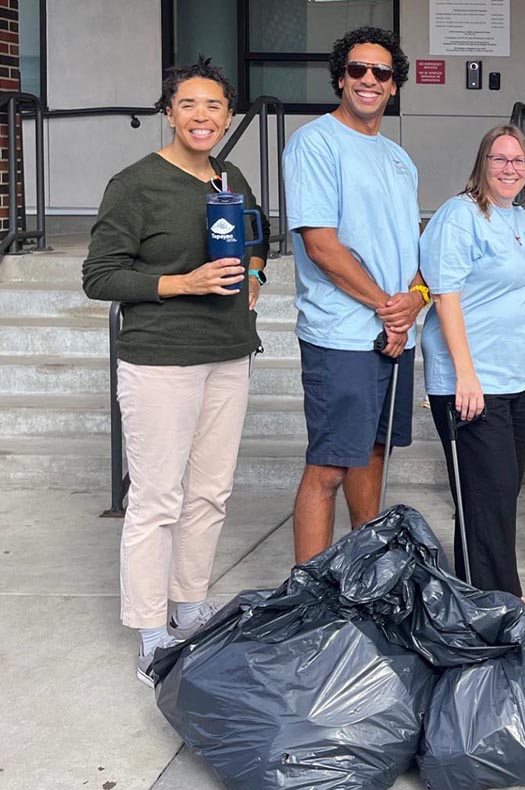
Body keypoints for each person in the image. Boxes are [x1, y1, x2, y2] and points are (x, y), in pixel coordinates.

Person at [81, 57, 267, 685]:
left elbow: (255, 234)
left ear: (228, 115)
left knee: (211, 493)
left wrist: (258, 272)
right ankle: (151, 629)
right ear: (168, 111)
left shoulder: (229, 174)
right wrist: (180, 282)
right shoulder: (134, 184)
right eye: (188, 104)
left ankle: (190, 606)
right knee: (157, 499)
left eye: (213, 106)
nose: (201, 116)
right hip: (162, 359)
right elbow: (99, 276)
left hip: (228, 353)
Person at [284, 27, 428, 564]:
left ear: (394, 86)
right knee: (329, 466)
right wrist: (386, 309)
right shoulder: (315, 142)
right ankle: (308, 601)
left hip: (391, 332)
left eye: (382, 73)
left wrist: (415, 299)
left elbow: (410, 247)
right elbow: (321, 245)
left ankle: (362, 577)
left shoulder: (398, 158)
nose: (369, 80)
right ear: (341, 78)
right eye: (358, 70)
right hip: (342, 333)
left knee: (372, 454)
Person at [420, 124, 525, 604]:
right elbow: (446, 296)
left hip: (515, 378)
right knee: (488, 494)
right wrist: (464, 376)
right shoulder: (460, 215)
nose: (510, 168)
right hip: (472, 381)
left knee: (497, 494)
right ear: (482, 163)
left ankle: (477, 593)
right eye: (500, 159)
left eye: (519, 161)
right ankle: (500, 597)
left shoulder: (517, 219)